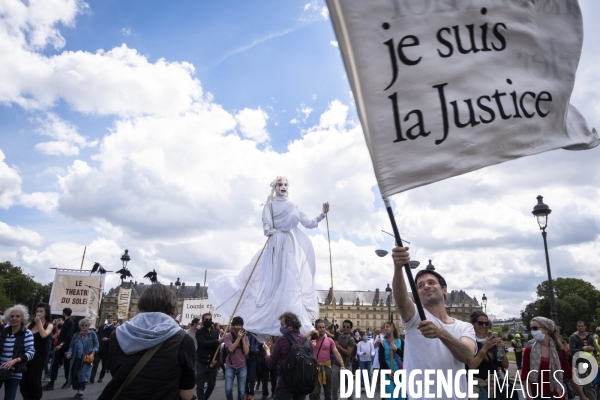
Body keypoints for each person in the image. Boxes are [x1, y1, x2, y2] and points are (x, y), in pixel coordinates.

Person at [210, 177, 328, 336]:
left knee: (291, 279)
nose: (283, 187)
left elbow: (309, 223)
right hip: (274, 244)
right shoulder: (270, 206)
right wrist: (272, 231)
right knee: (271, 280)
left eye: (286, 184)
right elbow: (266, 225)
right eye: (280, 185)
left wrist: (323, 214)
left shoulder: (293, 206)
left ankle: (292, 319)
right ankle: (268, 317)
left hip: (288, 245)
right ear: (275, 187)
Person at [391, 247, 476, 400]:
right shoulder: (415, 318)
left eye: (431, 282)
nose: (426, 286)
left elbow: (468, 356)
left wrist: (441, 333)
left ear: (444, 290)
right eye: (420, 285)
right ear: (417, 294)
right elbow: (402, 301)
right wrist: (398, 267)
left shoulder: (465, 327)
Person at [98, 283, 196, 400]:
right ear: (172, 306)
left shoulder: (117, 334)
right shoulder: (183, 340)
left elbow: (115, 371)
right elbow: (186, 395)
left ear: (142, 303)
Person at [521, 317, 588, 400]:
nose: (532, 331)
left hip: (558, 396)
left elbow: (569, 375)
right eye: (530, 328)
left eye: (535, 328)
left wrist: (582, 395)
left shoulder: (559, 351)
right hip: (538, 396)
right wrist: (529, 397)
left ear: (546, 329)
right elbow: (525, 376)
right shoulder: (529, 350)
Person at [263, 311, 313, 400]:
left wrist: (267, 351)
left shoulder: (282, 340)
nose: (280, 328)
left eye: (282, 325)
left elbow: (271, 364)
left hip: (286, 383)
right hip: (303, 382)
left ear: (290, 326)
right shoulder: (307, 341)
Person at [466, 311, 508, 400]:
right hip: (475, 384)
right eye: (480, 323)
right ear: (472, 324)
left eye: (486, 323)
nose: (484, 326)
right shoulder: (468, 341)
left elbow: (505, 365)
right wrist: (485, 348)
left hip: (493, 384)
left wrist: (501, 349)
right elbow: (472, 366)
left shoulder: (492, 341)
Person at [0, 304, 35, 400]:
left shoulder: (27, 333)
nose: (14, 318)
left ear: (22, 318)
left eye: (17, 316)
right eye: (12, 316)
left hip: (15, 371)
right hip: (0, 368)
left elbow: (31, 352)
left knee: (9, 398)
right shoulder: (3, 332)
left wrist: (15, 360)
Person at [19, 302, 53, 400]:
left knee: (33, 379)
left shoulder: (49, 325)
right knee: (23, 380)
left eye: (41, 311)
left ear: (46, 313)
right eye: (37, 311)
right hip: (27, 354)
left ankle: (37, 397)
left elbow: (44, 335)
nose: (39, 313)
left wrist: (39, 324)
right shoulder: (30, 325)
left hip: (40, 356)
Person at [306, 319, 344, 400]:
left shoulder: (329, 340)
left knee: (328, 393)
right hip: (314, 368)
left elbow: (336, 353)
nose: (322, 329)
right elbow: (301, 339)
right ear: (316, 328)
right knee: (314, 393)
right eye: (319, 327)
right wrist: (312, 333)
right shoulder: (311, 340)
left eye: (323, 327)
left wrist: (342, 365)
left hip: (327, 368)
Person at [65, 318, 99, 398]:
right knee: (75, 374)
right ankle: (78, 390)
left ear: (88, 326)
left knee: (83, 375)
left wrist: (93, 353)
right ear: (79, 326)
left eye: (86, 325)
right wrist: (69, 353)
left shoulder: (92, 334)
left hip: (87, 358)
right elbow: (71, 346)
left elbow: (96, 345)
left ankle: (81, 392)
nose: (84, 327)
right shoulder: (76, 336)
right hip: (76, 358)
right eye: (82, 325)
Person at [43, 307, 76, 390]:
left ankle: (67, 381)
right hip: (60, 347)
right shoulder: (66, 322)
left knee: (66, 365)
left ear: (64, 313)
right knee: (55, 364)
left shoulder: (71, 322)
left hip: (65, 347)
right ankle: (52, 382)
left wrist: (61, 344)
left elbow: (69, 336)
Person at [196, 313, 223, 400]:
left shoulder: (215, 332)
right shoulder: (199, 332)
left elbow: (217, 348)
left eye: (210, 319)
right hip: (201, 362)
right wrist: (217, 341)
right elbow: (203, 343)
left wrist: (216, 360)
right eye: (206, 319)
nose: (208, 321)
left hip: (212, 363)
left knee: (211, 384)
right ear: (203, 320)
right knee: (200, 385)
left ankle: (204, 398)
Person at [569, 321, 599, 400]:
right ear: (577, 327)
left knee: (590, 383)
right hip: (580, 362)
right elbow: (572, 351)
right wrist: (583, 349)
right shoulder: (573, 337)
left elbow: (596, 348)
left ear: (585, 327)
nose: (580, 327)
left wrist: (593, 349)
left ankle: (582, 396)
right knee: (587, 384)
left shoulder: (589, 337)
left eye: (582, 326)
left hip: (590, 361)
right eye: (579, 326)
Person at [224, 316, 250, 400]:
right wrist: (238, 338)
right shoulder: (228, 336)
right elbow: (230, 349)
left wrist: (243, 339)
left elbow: (246, 352)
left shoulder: (245, 337)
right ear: (232, 326)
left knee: (241, 391)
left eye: (240, 325)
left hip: (242, 366)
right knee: (228, 389)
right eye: (236, 325)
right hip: (230, 366)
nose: (238, 327)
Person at [376, 322, 403, 400]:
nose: (385, 328)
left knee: (400, 396)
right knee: (390, 397)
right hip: (387, 373)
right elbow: (381, 359)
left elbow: (405, 356)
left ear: (393, 328)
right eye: (385, 327)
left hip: (399, 372)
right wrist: (387, 371)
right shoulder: (382, 343)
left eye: (387, 327)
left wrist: (396, 349)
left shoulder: (401, 342)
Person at [332, 320, 355, 400]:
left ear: (350, 329)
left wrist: (338, 346)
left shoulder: (351, 340)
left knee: (349, 388)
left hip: (346, 365)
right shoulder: (338, 335)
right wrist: (333, 323)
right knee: (334, 388)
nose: (345, 328)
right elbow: (330, 331)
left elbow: (348, 353)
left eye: (347, 327)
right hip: (336, 365)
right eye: (344, 326)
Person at [90, 314, 115, 383]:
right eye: (109, 318)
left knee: (104, 365)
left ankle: (101, 377)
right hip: (99, 347)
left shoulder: (114, 328)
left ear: (113, 319)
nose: (110, 319)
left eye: (111, 318)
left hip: (106, 349)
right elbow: (98, 334)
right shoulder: (102, 326)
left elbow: (114, 338)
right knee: (95, 363)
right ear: (107, 318)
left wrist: (108, 339)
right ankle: (92, 377)